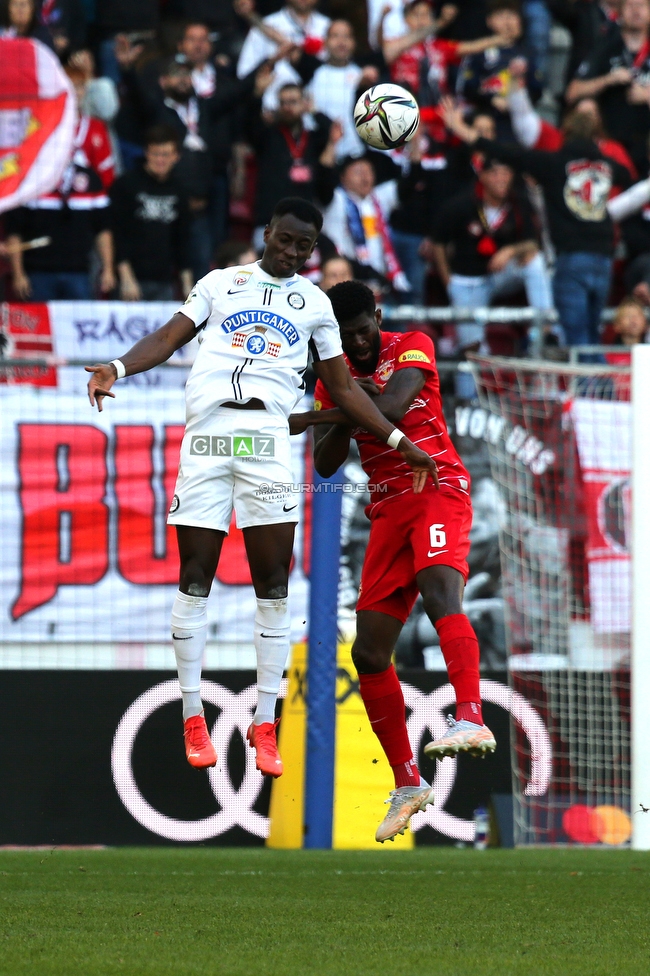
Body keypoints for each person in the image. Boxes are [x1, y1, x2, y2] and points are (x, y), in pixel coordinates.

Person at [85, 198, 436, 778]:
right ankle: (194, 715)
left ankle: (265, 723)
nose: (292, 251)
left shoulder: (317, 306)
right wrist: (117, 368)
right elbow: (171, 336)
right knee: (194, 576)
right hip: (208, 437)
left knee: (272, 583)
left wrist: (399, 441)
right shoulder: (221, 284)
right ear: (267, 233)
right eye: (286, 239)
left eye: (304, 246)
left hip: (267, 441)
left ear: (311, 251)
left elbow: (345, 392)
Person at [290, 279, 496, 843]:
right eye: (346, 336)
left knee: (439, 592)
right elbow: (329, 465)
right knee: (369, 649)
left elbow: (390, 408)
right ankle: (408, 782)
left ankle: (471, 716)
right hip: (385, 507)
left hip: (433, 483)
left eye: (363, 330)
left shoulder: (412, 344)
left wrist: (324, 407)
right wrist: (332, 404)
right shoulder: (334, 379)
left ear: (378, 316)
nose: (358, 343)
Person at [443, 100, 631, 347]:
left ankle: (587, 382)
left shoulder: (553, 164)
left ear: (567, 132)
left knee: (577, 341)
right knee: (592, 338)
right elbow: (627, 175)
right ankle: (595, 381)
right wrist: (597, 160)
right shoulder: (606, 167)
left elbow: (509, 154)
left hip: (573, 260)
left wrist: (464, 132)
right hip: (604, 259)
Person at [432, 155, 553, 352]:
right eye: (495, 173)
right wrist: (449, 282)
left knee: (535, 261)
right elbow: (438, 243)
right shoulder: (462, 204)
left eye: (506, 173)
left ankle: (544, 328)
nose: (502, 178)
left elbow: (533, 244)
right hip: (467, 282)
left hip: (499, 276)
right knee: (473, 349)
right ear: (483, 176)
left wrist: (510, 250)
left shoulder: (518, 203)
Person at [110, 125, 193, 301]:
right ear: (146, 153)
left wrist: (187, 285)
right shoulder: (126, 185)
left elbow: (183, 240)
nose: (160, 160)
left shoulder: (180, 190)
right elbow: (117, 234)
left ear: (176, 156)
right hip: (130, 280)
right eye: (155, 154)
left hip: (164, 281)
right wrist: (126, 277)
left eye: (165, 155)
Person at [567, 0, 650, 174]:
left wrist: (647, 95)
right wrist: (607, 79)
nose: (636, 11)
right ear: (619, 12)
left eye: (642, 6)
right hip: (611, 145)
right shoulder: (604, 47)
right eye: (630, 6)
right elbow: (572, 92)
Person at [458, 0, 543, 142]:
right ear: (489, 21)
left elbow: (537, 90)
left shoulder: (527, 53)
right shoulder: (478, 51)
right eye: (501, 15)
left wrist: (516, 103)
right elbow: (466, 88)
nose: (507, 21)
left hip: (517, 118)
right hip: (485, 113)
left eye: (512, 15)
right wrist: (491, 99)